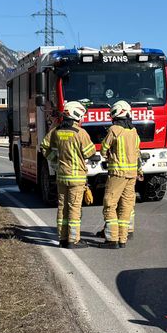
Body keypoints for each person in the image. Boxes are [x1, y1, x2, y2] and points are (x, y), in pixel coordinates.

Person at [39, 100, 96, 248]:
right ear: (76, 115)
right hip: (77, 178)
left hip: (61, 176)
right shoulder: (80, 133)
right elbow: (90, 152)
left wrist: (55, 160)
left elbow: (44, 147)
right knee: (74, 209)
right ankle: (73, 240)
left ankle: (62, 238)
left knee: (62, 208)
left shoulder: (56, 131)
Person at [100, 100, 141, 249]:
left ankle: (112, 240)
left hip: (117, 173)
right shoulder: (134, 131)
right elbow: (137, 152)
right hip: (132, 175)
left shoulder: (114, 130)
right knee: (126, 206)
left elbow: (104, 148)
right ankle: (122, 239)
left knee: (110, 205)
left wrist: (108, 157)